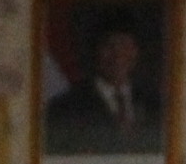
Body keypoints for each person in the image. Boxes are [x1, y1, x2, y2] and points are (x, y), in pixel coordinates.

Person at [43, 24, 163, 157]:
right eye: (108, 45)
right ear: (95, 52)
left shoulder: (155, 103)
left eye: (124, 44)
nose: (117, 54)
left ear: (136, 51)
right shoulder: (65, 107)